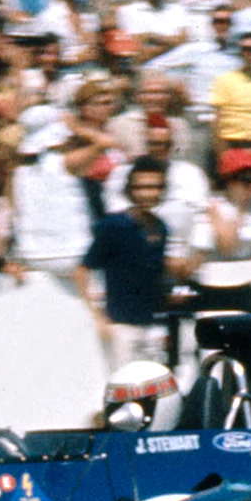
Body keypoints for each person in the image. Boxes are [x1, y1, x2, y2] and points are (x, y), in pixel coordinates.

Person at [84, 155, 189, 365]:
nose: (148, 194)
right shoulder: (114, 226)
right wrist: (99, 316)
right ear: (130, 190)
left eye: (155, 187)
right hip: (121, 327)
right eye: (141, 187)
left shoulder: (162, 228)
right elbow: (83, 269)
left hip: (153, 326)